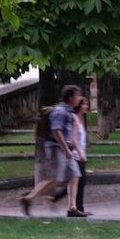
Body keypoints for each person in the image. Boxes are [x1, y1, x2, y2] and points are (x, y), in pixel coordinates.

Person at [19, 85, 85, 217]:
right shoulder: (60, 111)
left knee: (74, 175)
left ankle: (72, 208)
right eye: (78, 95)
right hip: (57, 148)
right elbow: (56, 130)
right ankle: (28, 199)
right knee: (55, 180)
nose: (80, 98)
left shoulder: (69, 112)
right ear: (71, 97)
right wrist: (65, 149)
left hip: (65, 149)